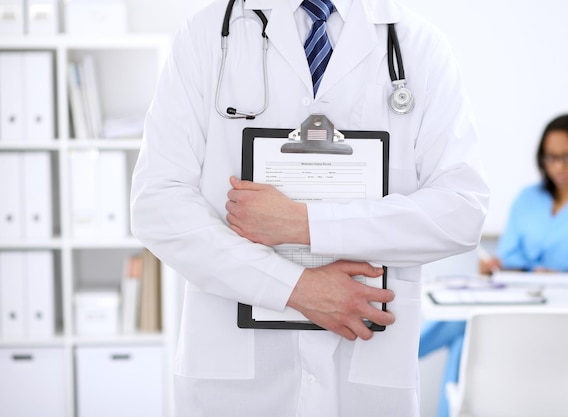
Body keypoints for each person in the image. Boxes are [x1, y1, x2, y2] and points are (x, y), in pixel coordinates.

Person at [130, 1, 489, 416]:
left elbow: (463, 210)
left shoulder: (418, 44)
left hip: (365, 375)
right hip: (236, 376)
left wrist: (304, 224)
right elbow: (158, 203)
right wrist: (296, 288)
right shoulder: (207, 34)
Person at [420, 113, 568, 417]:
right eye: (551, 157)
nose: (558, 166)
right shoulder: (528, 199)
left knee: (464, 326)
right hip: (521, 303)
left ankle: (408, 349)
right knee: (470, 328)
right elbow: (511, 261)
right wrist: (495, 268)